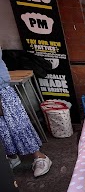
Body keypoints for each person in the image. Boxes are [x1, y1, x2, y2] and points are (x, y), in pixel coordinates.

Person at [0, 47, 52, 177]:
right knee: (3, 130)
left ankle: (40, 157)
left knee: (17, 126)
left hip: (1, 91)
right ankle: (11, 157)